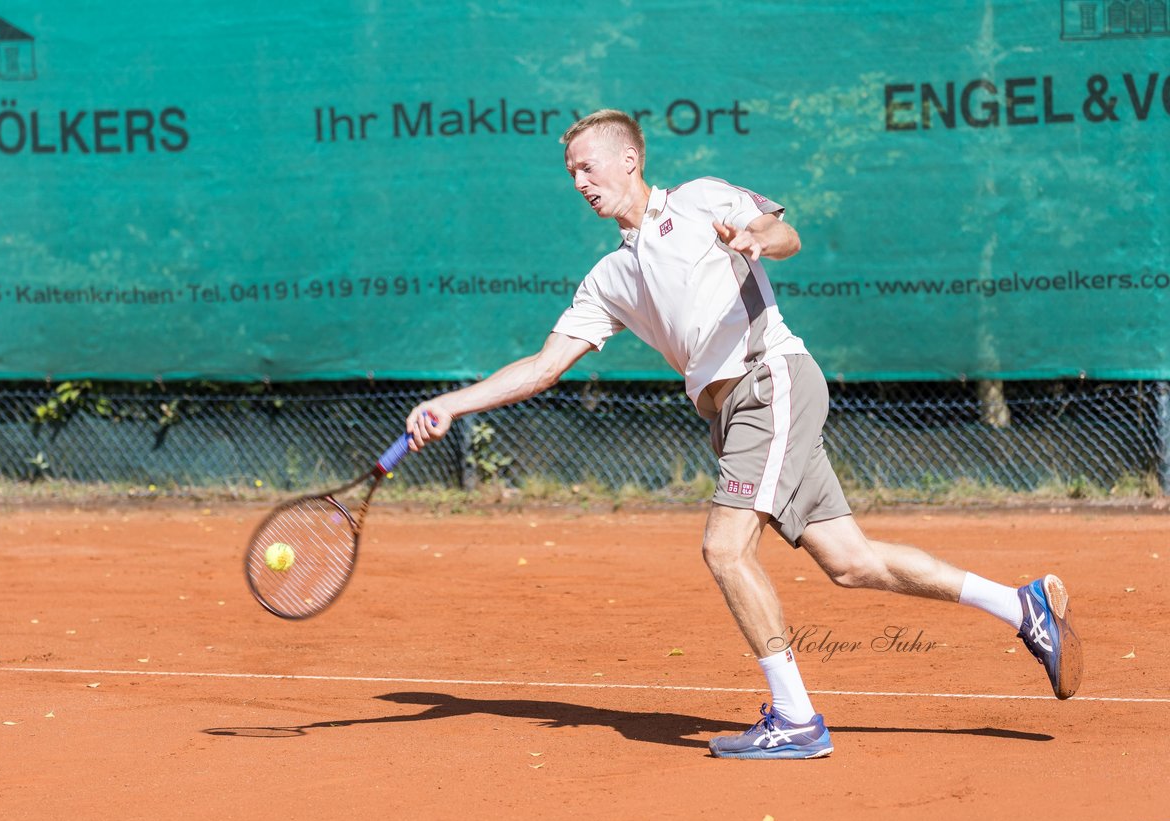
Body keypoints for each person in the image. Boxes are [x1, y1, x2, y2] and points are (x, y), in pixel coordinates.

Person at [404, 109, 1083, 759]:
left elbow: (784, 233)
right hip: (734, 416)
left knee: (725, 549)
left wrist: (758, 239)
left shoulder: (699, 201)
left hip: (770, 380)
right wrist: (455, 404)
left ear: (629, 160)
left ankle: (794, 718)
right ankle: (1020, 606)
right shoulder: (609, 278)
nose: (580, 183)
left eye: (588, 167)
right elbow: (545, 365)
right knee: (851, 562)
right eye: (571, 173)